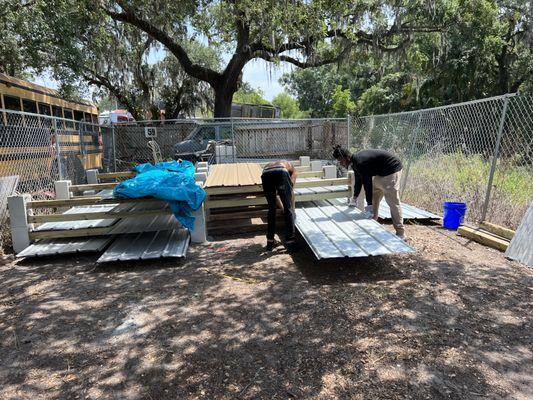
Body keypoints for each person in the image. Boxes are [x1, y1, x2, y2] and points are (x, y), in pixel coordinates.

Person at [332, 145, 405, 239]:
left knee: (392, 201)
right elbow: (358, 181)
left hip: (392, 169)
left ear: (346, 157)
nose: (340, 163)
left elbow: (367, 184)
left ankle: (400, 232)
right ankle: (373, 219)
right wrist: (354, 198)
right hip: (381, 172)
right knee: (375, 193)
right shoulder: (355, 162)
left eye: (340, 161)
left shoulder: (360, 162)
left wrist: (369, 204)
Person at [261, 160, 298, 251]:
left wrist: (283, 207)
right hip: (280, 171)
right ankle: (290, 243)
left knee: (271, 209)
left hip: (265, 172)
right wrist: (291, 210)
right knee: (288, 208)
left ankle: (270, 242)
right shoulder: (294, 171)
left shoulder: (274, 164)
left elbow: (275, 197)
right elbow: (291, 192)